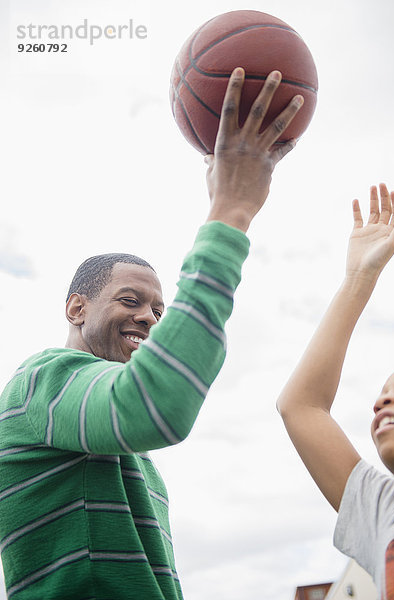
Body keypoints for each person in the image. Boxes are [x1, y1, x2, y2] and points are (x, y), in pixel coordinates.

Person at [0, 68, 303, 599]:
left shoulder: (131, 456)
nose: (148, 318)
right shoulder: (39, 383)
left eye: (160, 311)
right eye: (130, 301)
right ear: (76, 308)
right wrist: (231, 211)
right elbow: (157, 404)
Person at [277, 184, 394, 599]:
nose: (382, 400)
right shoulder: (386, 510)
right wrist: (359, 278)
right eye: (384, 391)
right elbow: (300, 406)